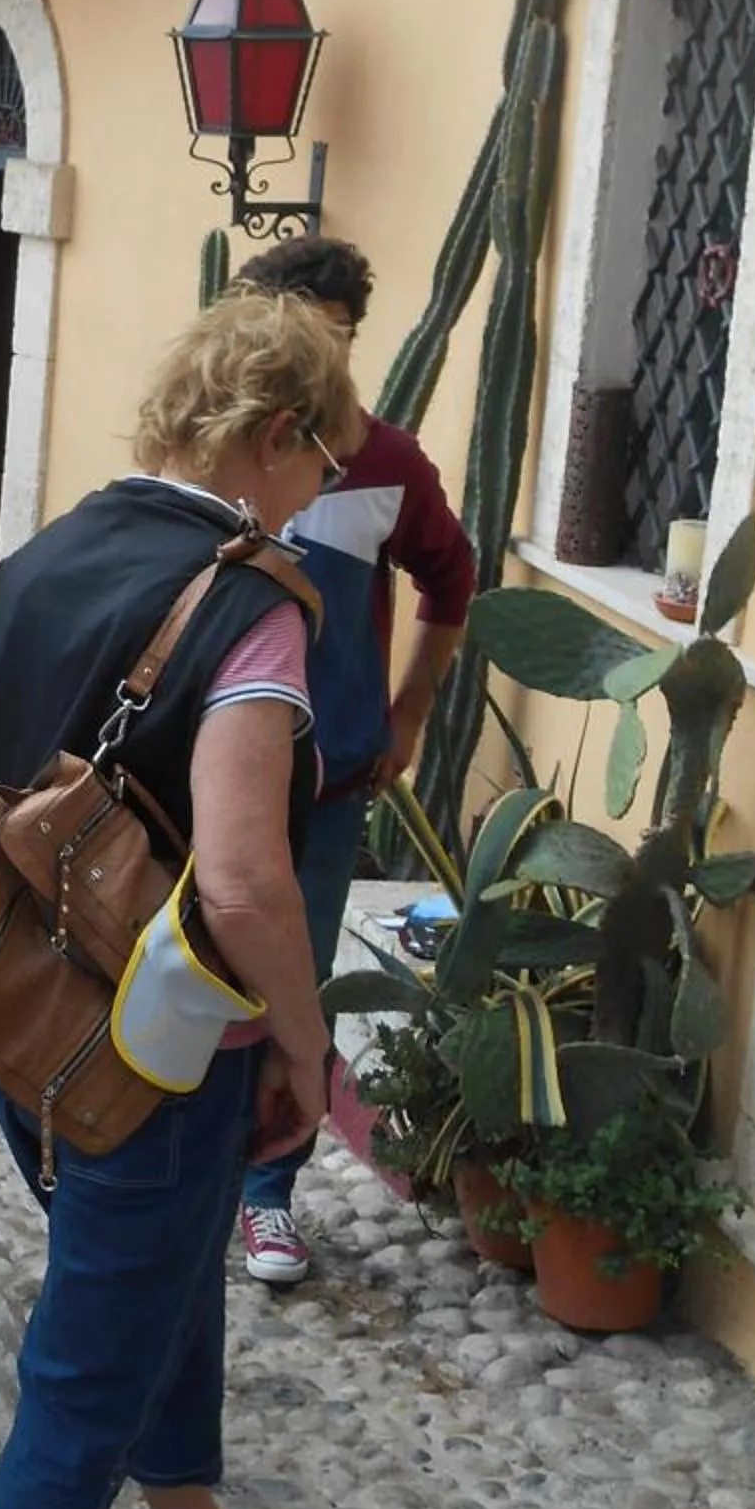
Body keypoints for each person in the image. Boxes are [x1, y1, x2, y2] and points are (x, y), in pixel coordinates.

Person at [0, 288, 360, 1509]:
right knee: (92, 1358)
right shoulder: (252, 608)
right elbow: (244, 881)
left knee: (163, 1283)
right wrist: (306, 1053)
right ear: (267, 437)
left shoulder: (57, 547)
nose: (326, 489)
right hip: (158, 1050)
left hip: (26, 1014)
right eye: (324, 457)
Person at [231, 236, 474, 1288]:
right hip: (202, 774)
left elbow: (450, 581)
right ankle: (165, 1168)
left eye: (338, 339)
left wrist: (409, 711)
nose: (321, 360)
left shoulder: (388, 464)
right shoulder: (209, 450)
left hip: (326, 783)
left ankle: (266, 1198)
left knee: (300, 986)